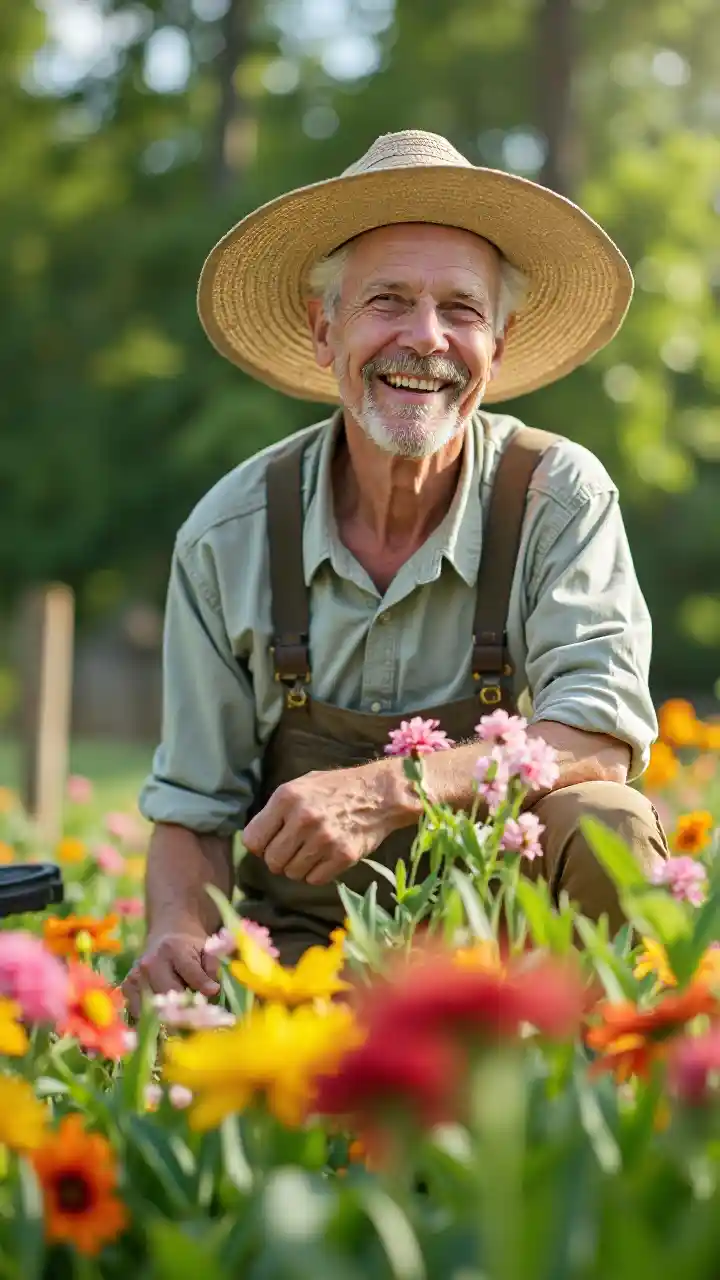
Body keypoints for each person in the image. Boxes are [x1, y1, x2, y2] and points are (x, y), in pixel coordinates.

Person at [123, 129, 668, 1014]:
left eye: (462, 308)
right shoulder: (230, 533)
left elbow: (599, 734)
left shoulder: (555, 495)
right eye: (387, 301)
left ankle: (605, 1093)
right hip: (304, 946)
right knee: (196, 1071)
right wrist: (175, 929)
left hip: (511, 942)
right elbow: (193, 807)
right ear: (322, 327)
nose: (426, 339)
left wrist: (388, 789)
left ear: (502, 337)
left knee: (605, 819)